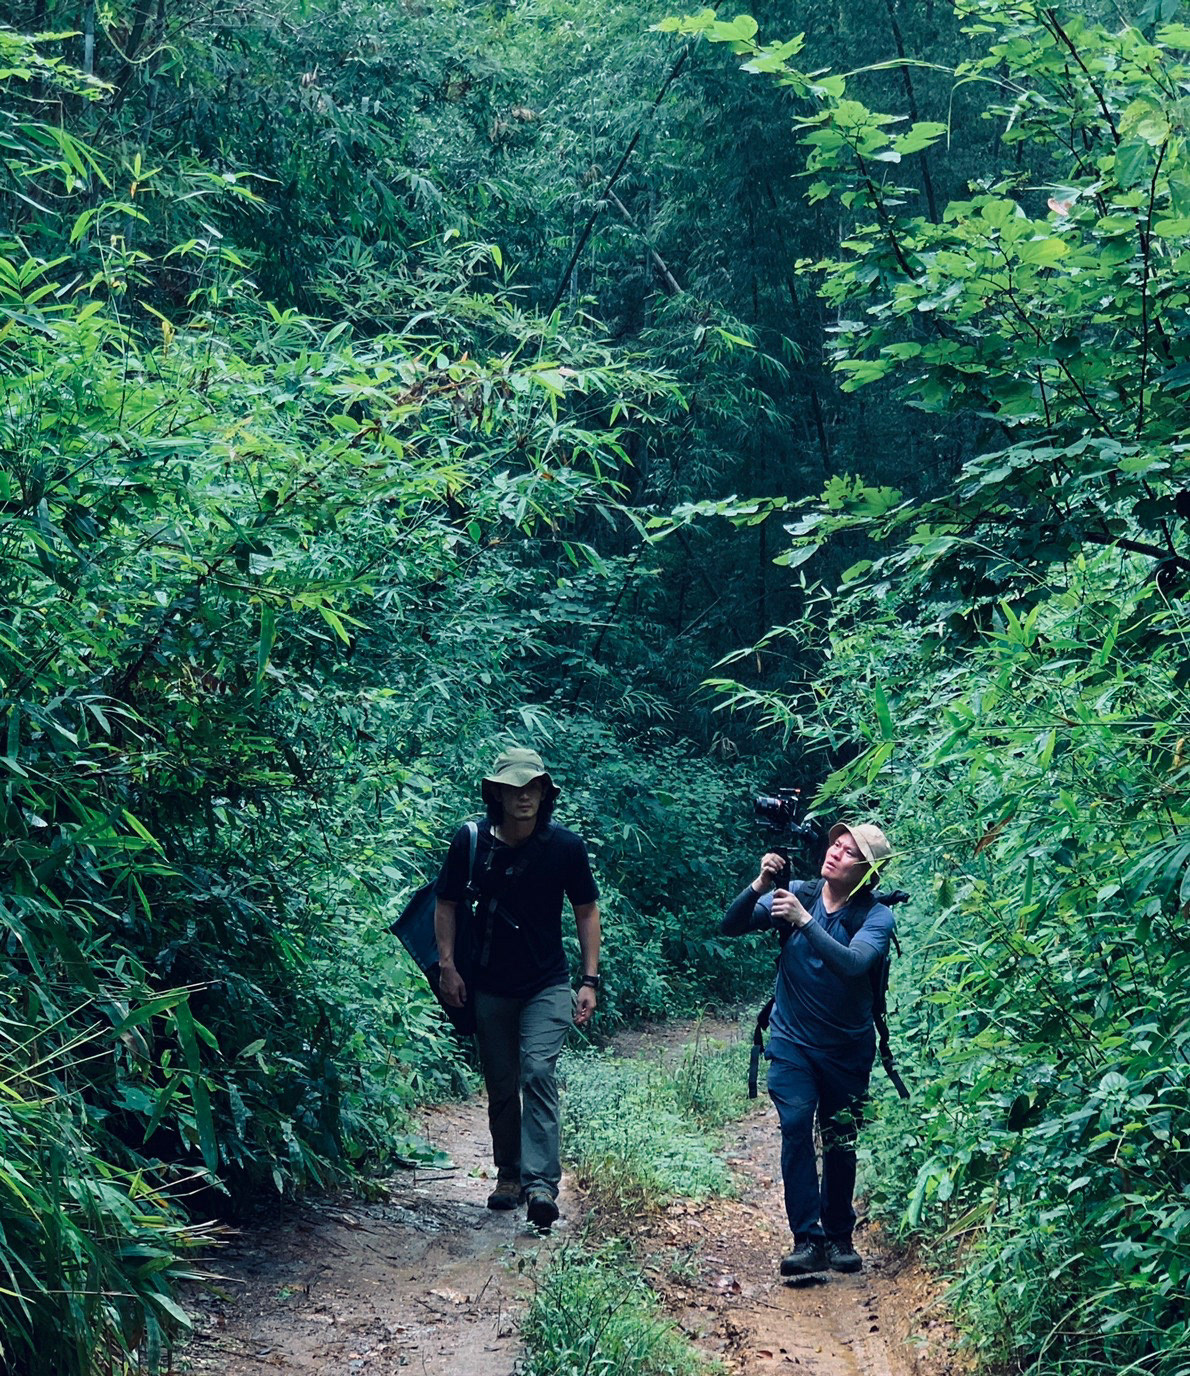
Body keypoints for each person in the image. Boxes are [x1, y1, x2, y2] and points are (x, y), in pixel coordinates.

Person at [434, 747, 601, 1230]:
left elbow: (586, 910)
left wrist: (589, 979)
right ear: (498, 794)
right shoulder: (472, 843)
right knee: (502, 1084)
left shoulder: (566, 848)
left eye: (533, 788)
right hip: (489, 984)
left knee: (537, 1072)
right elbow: (445, 903)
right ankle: (509, 1175)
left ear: (544, 793)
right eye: (514, 788)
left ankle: (542, 1186)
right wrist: (448, 966)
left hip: (547, 983)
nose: (524, 796)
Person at [721, 821, 895, 1277]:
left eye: (848, 851)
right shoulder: (798, 891)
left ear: (868, 872)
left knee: (840, 1138)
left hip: (847, 1049)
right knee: (797, 1126)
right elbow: (731, 923)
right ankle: (807, 1239)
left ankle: (839, 1236)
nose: (835, 853)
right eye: (835, 845)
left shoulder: (875, 916)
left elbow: (855, 964)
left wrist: (804, 920)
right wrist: (761, 883)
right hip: (792, 1041)